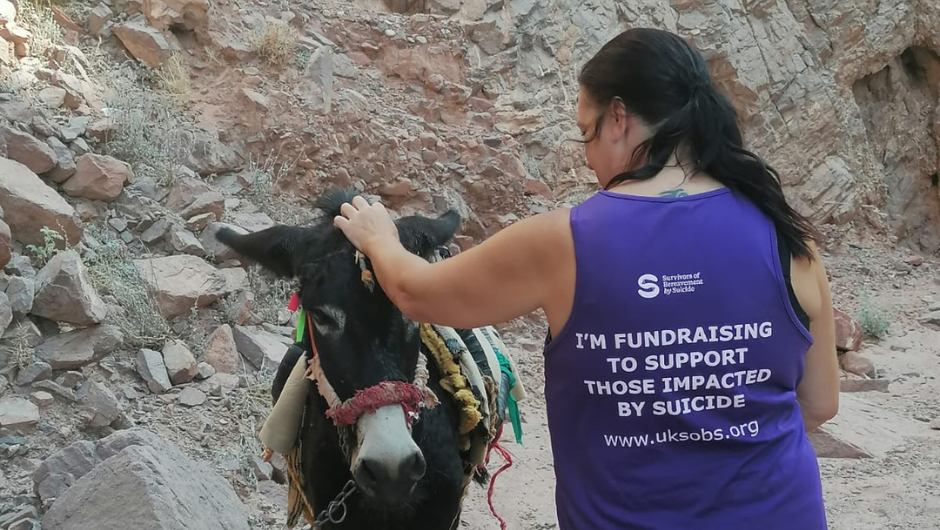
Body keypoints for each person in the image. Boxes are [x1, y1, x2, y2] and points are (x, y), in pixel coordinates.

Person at [333, 27, 839, 530]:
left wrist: (379, 237)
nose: (586, 155)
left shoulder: (566, 242)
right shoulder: (787, 235)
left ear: (617, 118)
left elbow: (415, 292)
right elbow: (819, 404)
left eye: (585, 132)